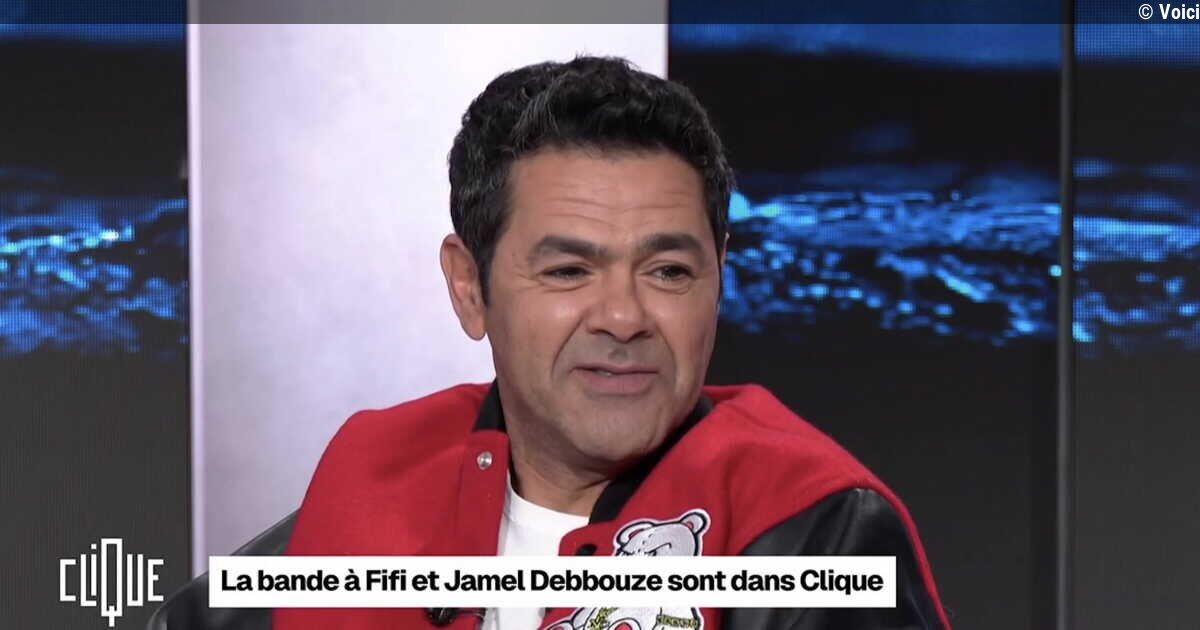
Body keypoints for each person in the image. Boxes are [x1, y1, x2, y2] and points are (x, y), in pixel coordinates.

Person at [275, 56, 952, 630]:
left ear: (719, 276)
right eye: (569, 271)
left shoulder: (813, 531)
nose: (624, 318)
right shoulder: (375, 477)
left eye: (669, 272)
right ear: (470, 287)